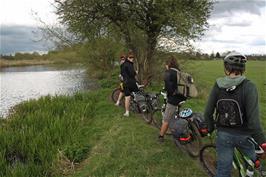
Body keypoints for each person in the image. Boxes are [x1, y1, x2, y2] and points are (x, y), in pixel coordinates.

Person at [204, 52, 266, 177]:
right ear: (243, 69)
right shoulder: (249, 86)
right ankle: (252, 167)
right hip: (244, 135)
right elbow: (254, 122)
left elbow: (207, 112)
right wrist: (262, 142)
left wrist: (210, 129)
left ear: (226, 69)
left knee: (223, 170)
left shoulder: (218, 85)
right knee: (253, 158)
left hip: (223, 135)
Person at [158, 56, 186, 142]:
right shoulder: (179, 72)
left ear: (168, 64)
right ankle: (175, 127)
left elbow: (169, 88)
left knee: (166, 119)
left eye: (166, 65)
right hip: (182, 97)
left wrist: (168, 92)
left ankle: (161, 137)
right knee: (174, 115)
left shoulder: (168, 73)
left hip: (173, 100)